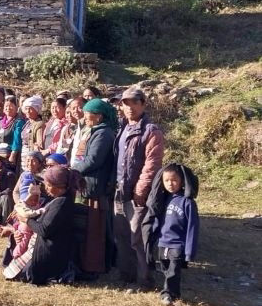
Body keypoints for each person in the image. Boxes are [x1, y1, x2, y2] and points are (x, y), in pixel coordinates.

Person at [114, 87, 164, 288]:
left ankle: (144, 280)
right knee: (122, 235)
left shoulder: (151, 131)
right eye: (125, 103)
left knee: (138, 239)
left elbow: (152, 164)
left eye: (134, 102)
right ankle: (126, 275)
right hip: (119, 190)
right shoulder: (123, 127)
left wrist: (141, 190)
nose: (129, 107)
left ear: (143, 104)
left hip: (137, 194)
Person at [4, 166, 84, 285]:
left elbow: (44, 230)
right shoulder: (60, 200)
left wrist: (26, 220)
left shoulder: (61, 204)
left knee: (23, 274)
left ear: (59, 186)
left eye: (48, 185)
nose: (45, 188)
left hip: (49, 254)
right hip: (48, 249)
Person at [142, 164, 200, 305]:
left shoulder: (187, 202)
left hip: (177, 244)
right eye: (166, 180)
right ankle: (175, 292)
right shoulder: (162, 200)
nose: (170, 184)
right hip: (163, 243)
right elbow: (156, 221)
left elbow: (193, 227)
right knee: (166, 269)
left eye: (174, 180)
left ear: (182, 181)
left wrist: (189, 251)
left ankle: (166, 294)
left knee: (173, 270)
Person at [73, 98, 118, 276]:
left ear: (99, 116)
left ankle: (95, 265)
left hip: (95, 186)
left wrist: (73, 169)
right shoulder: (95, 131)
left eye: (87, 113)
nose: (84, 117)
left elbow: (93, 160)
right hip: (88, 183)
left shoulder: (104, 134)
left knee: (95, 227)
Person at [0, 95, 25, 170]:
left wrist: (13, 155)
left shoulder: (18, 122)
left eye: (11, 106)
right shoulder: (0, 121)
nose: (8, 108)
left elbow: (17, 139)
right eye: (6, 106)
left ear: (16, 107)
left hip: (9, 156)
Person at [20, 95, 45, 172]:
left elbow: (39, 144)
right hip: (23, 154)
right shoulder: (27, 123)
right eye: (26, 109)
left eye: (30, 109)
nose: (27, 111)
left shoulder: (39, 124)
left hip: (31, 155)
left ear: (37, 110)